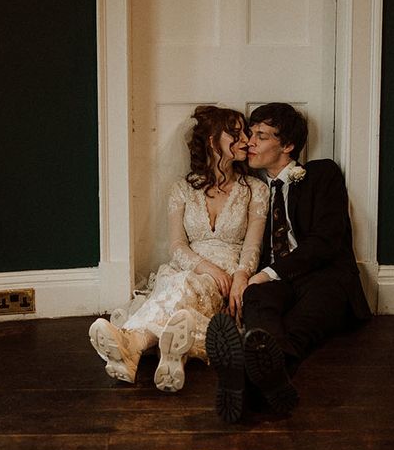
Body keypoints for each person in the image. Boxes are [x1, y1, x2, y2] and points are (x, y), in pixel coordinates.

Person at [205, 102, 372, 423]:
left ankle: (241, 383)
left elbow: (326, 242)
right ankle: (268, 384)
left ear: (288, 146)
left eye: (262, 136)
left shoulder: (321, 173)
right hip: (272, 281)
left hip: (322, 276)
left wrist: (268, 273)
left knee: (297, 329)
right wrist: (247, 277)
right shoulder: (249, 189)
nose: (249, 142)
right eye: (250, 134)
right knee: (257, 308)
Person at [89, 105, 269, 393]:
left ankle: (134, 345)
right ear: (212, 142)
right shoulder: (182, 189)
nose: (247, 140)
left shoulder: (255, 190)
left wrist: (240, 277)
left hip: (226, 272)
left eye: (246, 132)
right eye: (236, 134)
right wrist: (203, 266)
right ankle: (169, 351)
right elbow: (177, 246)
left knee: (185, 290)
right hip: (188, 267)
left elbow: (252, 245)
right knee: (178, 285)